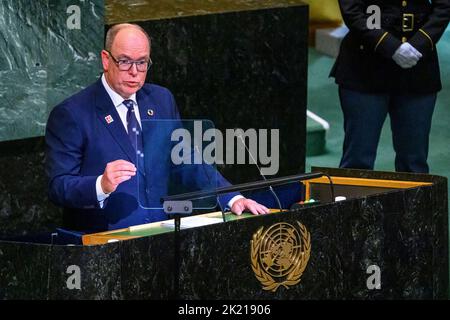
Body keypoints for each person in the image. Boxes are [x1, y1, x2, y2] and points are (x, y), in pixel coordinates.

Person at [45, 23, 269, 233]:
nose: (134, 71)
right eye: (124, 61)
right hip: (105, 244)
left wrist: (231, 198)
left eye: (142, 62)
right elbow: (58, 186)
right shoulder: (72, 113)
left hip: (161, 238)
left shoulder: (161, 100)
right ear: (106, 59)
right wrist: (100, 185)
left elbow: (187, 160)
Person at [330, 0, 450, 173]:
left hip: (417, 70)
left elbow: (444, 6)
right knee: (357, 162)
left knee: (414, 164)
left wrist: (419, 44)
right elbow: (352, 10)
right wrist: (390, 46)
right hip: (365, 69)